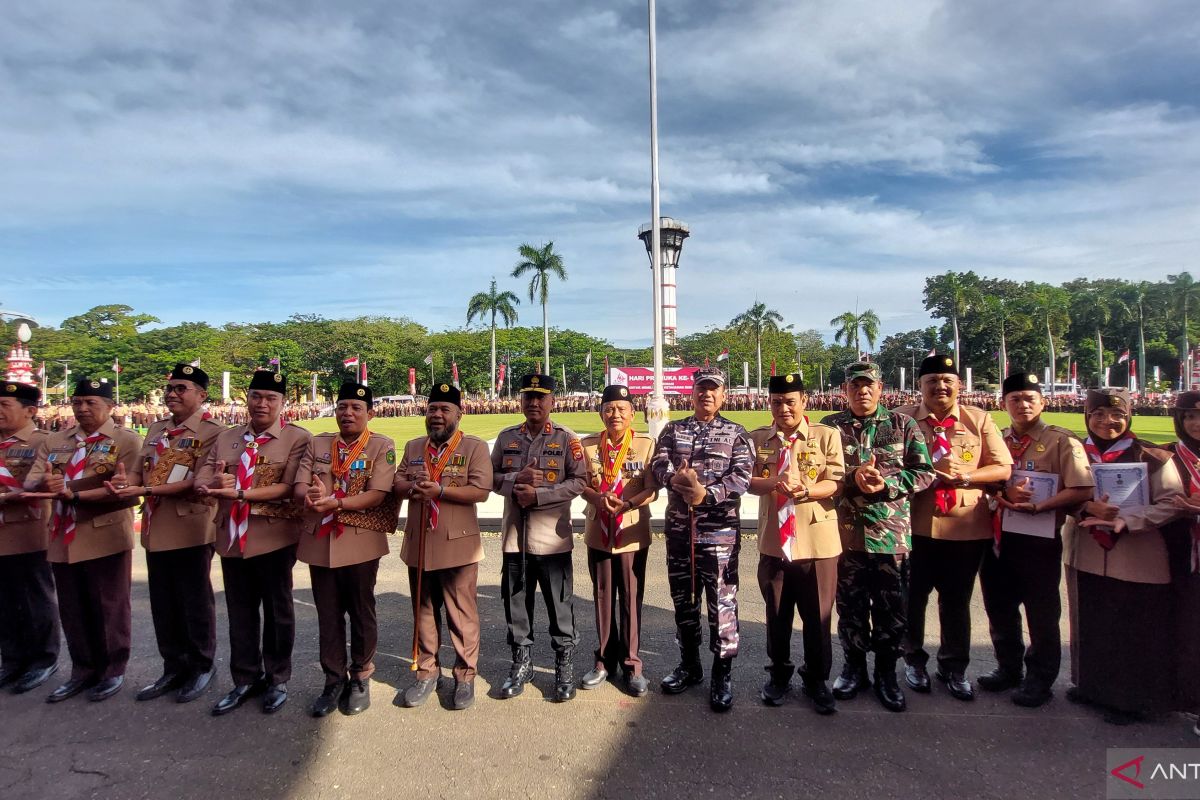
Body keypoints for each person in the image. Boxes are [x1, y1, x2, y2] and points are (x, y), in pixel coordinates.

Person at [105, 364, 225, 704]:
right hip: (156, 526)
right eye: (170, 388)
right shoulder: (156, 429)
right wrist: (124, 483)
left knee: (194, 600)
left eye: (182, 388)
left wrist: (144, 488)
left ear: (201, 395)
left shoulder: (212, 432)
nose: (173, 394)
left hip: (191, 526)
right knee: (163, 602)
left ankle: (202, 666)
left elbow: (201, 479)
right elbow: (136, 472)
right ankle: (173, 667)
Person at [1064, 387, 1183, 725]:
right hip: (1086, 548)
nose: (1107, 421)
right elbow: (1061, 492)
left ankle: (1131, 698)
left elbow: (1170, 503)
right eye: (1098, 414)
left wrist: (1126, 521)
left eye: (1116, 415)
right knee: (1090, 619)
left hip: (1136, 552)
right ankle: (1092, 686)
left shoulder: (1151, 456)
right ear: (1087, 417)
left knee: (1133, 626)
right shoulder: (1075, 453)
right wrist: (1085, 505)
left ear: (1129, 416)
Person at [197, 370, 312, 716]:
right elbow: (203, 475)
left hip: (272, 536)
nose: (262, 404)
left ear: (283, 403)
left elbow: (290, 486)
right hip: (231, 537)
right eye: (256, 396)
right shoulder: (227, 437)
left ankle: (277, 678)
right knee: (240, 611)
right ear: (246, 398)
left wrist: (241, 492)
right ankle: (244, 678)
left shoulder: (296, 438)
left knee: (278, 612)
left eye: (271, 398)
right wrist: (212, 482)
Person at [897, 354, 1012, 701]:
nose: (940, 386)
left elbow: (1002, 467)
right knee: (911, 599)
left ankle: (954, 667)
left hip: (965, 527)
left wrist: (965, 477)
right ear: (919, 386)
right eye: (932, 380)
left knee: (957, 601)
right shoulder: (901, 419)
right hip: (915, 523)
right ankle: (913, 660)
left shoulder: (979, 420)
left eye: (947, 380)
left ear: (960, 385)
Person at [824, 362, 934, 713]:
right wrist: (853, 479)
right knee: (851, 609)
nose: (862, 391)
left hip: (891, 537)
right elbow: (820, 472)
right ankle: (853, 669)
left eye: (868, 385)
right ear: (845, 389)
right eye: (855, 385)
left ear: (881, 387)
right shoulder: (831, 427)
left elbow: (924, 473)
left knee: (892, 612)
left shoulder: (902, 424)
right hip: (846, 537)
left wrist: (889, 483)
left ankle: (887, 674)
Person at [979, 371, 1093, 708]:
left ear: (1043, 402)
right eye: (1015, 399)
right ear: (1003, 404)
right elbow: (990, 481)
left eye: (1030, 399)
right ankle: (1008, 668)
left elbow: (1082, 487)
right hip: (999, 535)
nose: (1022, 404)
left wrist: (1042, 505)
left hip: (1039, 538)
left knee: (1041, 613)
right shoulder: (998, 439)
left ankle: (1040, 679)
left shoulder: (1061, 440)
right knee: (999, 606)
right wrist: (1000, 492)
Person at [24, 378, 142, 702]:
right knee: (73, 608)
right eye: (78, 402)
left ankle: (112, 670)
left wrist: (71, 490)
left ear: (110, 406)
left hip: (103, 531)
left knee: (110, 606)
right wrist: (44, 484)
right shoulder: (56, 440)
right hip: (63, 532)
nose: (83, 408)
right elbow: (35, 477)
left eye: (92, 402)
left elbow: (126, 486)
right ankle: (82, 670)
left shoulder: (126, 440)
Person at [650, 367, 753, 712]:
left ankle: (722, 673)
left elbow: (741, 477)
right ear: (691, 394)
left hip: (719, 533)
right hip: (681, 533)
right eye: (701, 389)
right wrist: (677, 479)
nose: (707, 394)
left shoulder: (736, 433)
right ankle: (690, 665)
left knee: (721, 603)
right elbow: (657, 464)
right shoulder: (673, 429)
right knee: (683, 602)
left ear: (723, 395)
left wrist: (704, 494)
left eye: (713, 390)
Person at [295, 381, 398, 717]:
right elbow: (300, 483)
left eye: (356, 408)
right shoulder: (318, 442)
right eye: (342, 407)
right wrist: (308, 495)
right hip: (320, 540)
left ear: (370, 413)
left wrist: (336, 502)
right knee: (327, 613)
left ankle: (361, 674)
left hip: (358, 540)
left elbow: (378, 493)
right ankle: (333, 677)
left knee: (360, 609)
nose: (347, 413)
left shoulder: (382, 446)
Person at [747, 373, 845, 714]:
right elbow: (748, 481)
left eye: (791, 401)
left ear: (805, 401)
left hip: (817, 542)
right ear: (769, 404)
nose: (784, 408)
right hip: (775, 541)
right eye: (777, 402)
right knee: (777, 613)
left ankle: (817, 679)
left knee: (818, 616)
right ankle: (778, 675)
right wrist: (774, 481)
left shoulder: (826, 435)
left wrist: (806, 490)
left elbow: (835, 482)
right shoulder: (758, 438)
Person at [396, 383, 491, 711]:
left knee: (461, 613)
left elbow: (481, 490)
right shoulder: (413, 447)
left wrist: (440, 491)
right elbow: (396, 483)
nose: (437, 415)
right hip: (420, 541)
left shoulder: (474, 447)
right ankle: (426, 672)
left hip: (458, 544)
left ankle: (465, 676)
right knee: (423, 611)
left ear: (458, 414)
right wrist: (412, 484)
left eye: (444, 409)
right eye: (432, 409)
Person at [491, 374, 586, 702]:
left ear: (552, 402)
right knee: (517, 603)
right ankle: (521, 663)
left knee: (560, 605)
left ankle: (564, 665)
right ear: (520, 400)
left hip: (552, 539)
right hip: (516, 539)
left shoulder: (566, 438)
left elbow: (580, 482)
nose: (533, 403)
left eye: (540, 397)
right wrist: (516, 479)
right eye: (528, 396)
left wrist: (540, 496)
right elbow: (489, 478)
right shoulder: (506, 438)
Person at [578, 385, 657, 697]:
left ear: (632, 414)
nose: (615, 415)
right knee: (601, 597)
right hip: (599, 528)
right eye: (609, 409)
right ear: (601, 414)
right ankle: (602, 662)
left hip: (632, 530)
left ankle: (632, 664)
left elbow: (652, 488)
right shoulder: (586, 446)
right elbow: (580, 484)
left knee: (630, 598)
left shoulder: (645, 444)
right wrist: (598, 498)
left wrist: (629, 504)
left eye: (621, 409)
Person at [0, 381, 60, 695]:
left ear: (30, 411)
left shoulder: (44, 442)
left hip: (27, 529)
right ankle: (11, 660)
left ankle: (43, 659)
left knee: (35, 597)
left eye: (4, 406)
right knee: (5, 602)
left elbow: (43, 483)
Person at [1164, 391, 1200, 735]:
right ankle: (1184, 694)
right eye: (1189, 416)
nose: (1195, 423)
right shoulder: (1169, 455)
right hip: (1179, 550)